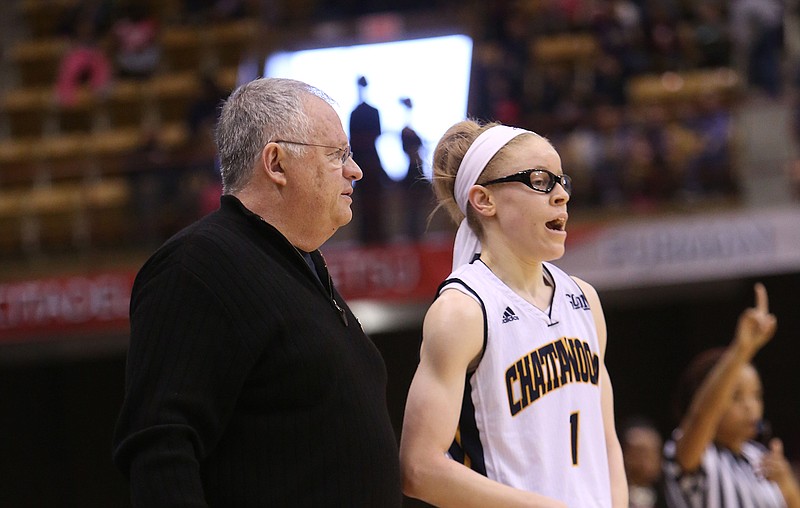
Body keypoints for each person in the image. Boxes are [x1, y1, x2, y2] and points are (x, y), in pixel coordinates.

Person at [112, 77, 402, 507]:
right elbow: (161, 448)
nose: (355, 170)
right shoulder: (196, 265)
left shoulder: (300, 264)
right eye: (338, 154)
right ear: (277, 163)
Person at [399, 120, 628, 507]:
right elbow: (418, 468)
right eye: (540, 180)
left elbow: (606, 441)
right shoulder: (462, 310)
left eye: (562, 181)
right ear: (483, 200)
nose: (561, 196)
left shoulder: (584, 299)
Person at [663, 283, 800, 508]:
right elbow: (701, 417)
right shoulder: (694, 454)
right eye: (735, 397)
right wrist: (742, 349)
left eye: (756, 396)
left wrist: (788, 484)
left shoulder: (758, 456)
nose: (750, 407)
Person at [619, 416, 667, 508]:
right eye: (640, 453)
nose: (646, 460)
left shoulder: (669, 496)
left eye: (653, 453)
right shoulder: (612, 495)